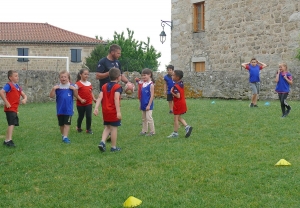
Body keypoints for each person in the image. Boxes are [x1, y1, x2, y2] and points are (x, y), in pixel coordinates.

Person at [95, 44, 131, 142]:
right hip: (106, 90)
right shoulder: (103, 61)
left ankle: (110, 131)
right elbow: (97, 76)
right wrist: (109, 73)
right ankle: (109, 130)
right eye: (118, 53)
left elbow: (121, 75)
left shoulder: (118, 62)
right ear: (112, 52)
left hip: (115, 91)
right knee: (107, 110)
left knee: (115, 108)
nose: (119, 55)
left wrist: (128, 82)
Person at [94, 67, 122, 152]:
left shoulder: (104, 86)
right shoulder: (117, 87)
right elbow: (116, 99)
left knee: (107, 127)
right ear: (118, 77)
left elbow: (99, 97)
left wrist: (96, 108)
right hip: (113, 111)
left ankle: (102, 142)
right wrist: (118, 112)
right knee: (114, 128)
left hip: (105, 110)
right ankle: (113, 147)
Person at [49, 70, 78, 143]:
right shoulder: (58, 87)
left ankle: (65, 137)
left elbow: (76, 96)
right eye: (61, 77)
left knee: (67, 123)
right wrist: (53, 89)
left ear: (68, 78)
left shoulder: (72, 86)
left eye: (65, 77)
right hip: (60, 109)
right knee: (61, 124)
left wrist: (74, 90)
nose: (63, 78)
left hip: (68, 109)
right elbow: (51, 96)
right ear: (59, 78)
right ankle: (63, 135)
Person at [0, 70, 27, 147]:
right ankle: (9, 140)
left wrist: (24, 99)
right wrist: (6, 102)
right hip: (10, 108)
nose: (17, 77)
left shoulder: (18, 87)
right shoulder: (9, 85)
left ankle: (6, 140)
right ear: (10, 77)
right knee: (11, 124)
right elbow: (1, 92)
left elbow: (24, 95)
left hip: (15, 109)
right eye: (15, 76)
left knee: (11, 124)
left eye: (17, 76)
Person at [167, 70, 193, 138]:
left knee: (175, 118)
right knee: (178, 118)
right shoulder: (181, 83)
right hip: (182, 102)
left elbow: (178, 96)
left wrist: (171, 92)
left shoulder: (176, 86)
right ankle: (187, 127)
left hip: (178, 104)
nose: (172, 76)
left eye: (173, 75)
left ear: (177, 77)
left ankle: (175, 133)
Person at [75, 68, 97, 134]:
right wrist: (81, 100)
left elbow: (91, 92)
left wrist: (94, 98)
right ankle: (78, 127)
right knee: (81, 116)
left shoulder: (89, 83)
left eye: (87, 74)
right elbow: (75, 94)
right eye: (85, 74)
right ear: (80, 74)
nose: (86, 75)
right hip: (80, 103)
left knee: (88, 116)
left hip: (89, 102)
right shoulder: (77, 84)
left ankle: (88, 129)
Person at [139, 68, 155, 136]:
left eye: (145, 75)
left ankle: (152, 131)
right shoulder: (143, 84)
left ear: (149, 75)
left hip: (148, 104)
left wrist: (149, 105)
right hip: (143, 104)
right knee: (144, 118)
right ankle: (144, 130)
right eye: (142, 75)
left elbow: (152, 96)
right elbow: (141, 95)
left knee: (149, 118)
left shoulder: (151, 85)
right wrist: (140, 104)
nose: (143, 77)